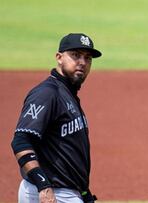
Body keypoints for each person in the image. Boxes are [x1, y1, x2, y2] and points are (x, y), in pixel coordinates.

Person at [11, 33, 102, 203]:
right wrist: (43, 186)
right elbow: (21, 141)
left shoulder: (67, 93)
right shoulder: (47, 93)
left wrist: (84, 193)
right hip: (50, 193)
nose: (82, 62)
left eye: (88, 58)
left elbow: (67, 153)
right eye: (75, 55)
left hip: (67, 192)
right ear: (59, 58)